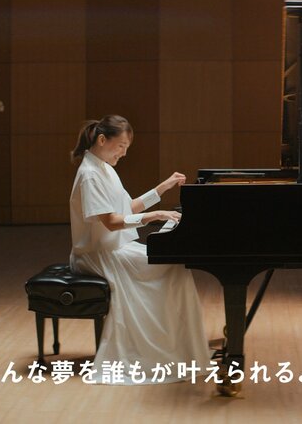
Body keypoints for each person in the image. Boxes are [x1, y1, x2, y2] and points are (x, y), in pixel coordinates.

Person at [68, 114, 211, 385]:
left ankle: (178, 348)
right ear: (102, 140)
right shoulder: (89, 174)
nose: (124, 153)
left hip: (114, 249)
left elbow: (127, 208)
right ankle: (165, 350)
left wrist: (162, 188)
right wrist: (155, 216)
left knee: (173, 265)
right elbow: (111, 222)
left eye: (126, 148)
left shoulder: (104, 168)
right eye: (121, 146)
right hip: (97, 255)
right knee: (168, 267)